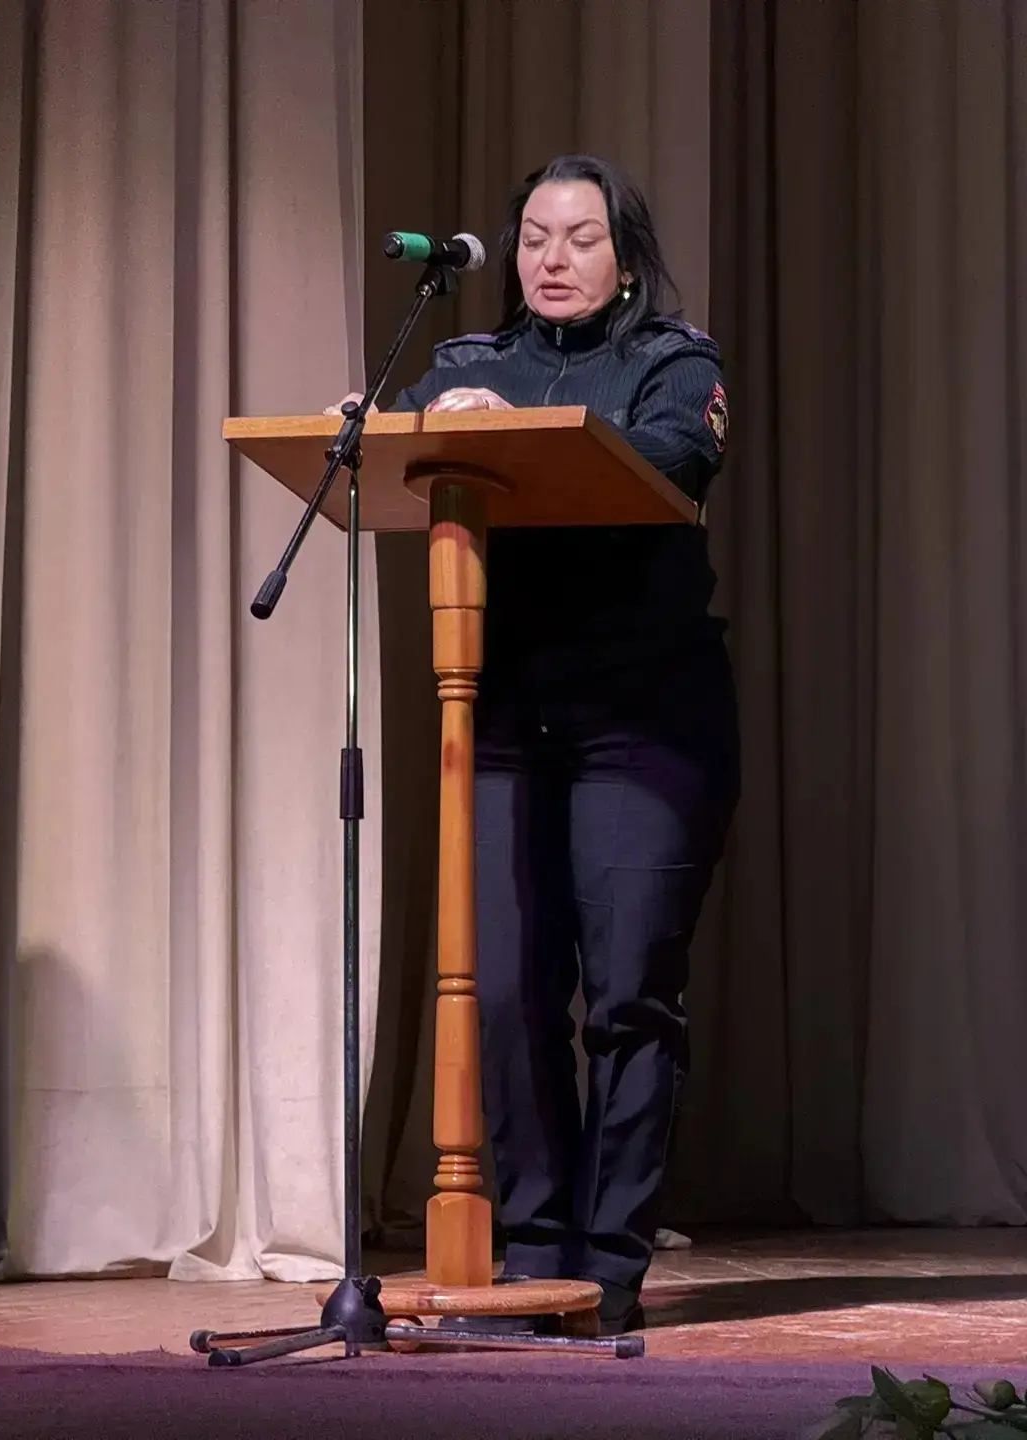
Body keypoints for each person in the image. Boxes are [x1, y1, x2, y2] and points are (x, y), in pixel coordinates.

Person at [334, 155, 739, 1335]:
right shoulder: (470, 365)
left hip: (645, 721)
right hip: (505, 717)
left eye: (581, 238)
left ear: (627, 258)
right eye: (534, 237)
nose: (553, 259)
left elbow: (670, 461)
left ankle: (608, 1265)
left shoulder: (674, 361)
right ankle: (538, 1250)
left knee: (628, 998)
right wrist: (383, 429)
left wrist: (515, 434)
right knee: (506, 994)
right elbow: (403, 449)